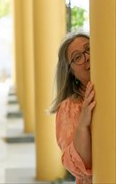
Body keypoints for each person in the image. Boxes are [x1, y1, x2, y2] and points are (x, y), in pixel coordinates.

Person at [50, 32, 96, 184]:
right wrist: (83, 125)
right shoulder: (69, 108)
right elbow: (83, 166)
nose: (87, 57)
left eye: (89, 49)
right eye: (77, 57)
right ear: (71, 73)